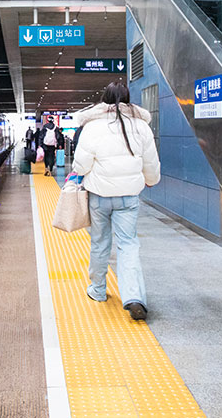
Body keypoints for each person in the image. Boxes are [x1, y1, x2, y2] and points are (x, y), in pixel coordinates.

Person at [72, 82, 160, 321]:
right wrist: (151, 179)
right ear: (128, 99)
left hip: (99, 196)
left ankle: (99, 290)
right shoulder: (141, 126)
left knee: (100, 243)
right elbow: (150, 162)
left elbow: (80, 165)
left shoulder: (92, 127)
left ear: (104, 99)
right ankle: (134, 296)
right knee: (128, 244)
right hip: (129, 197)